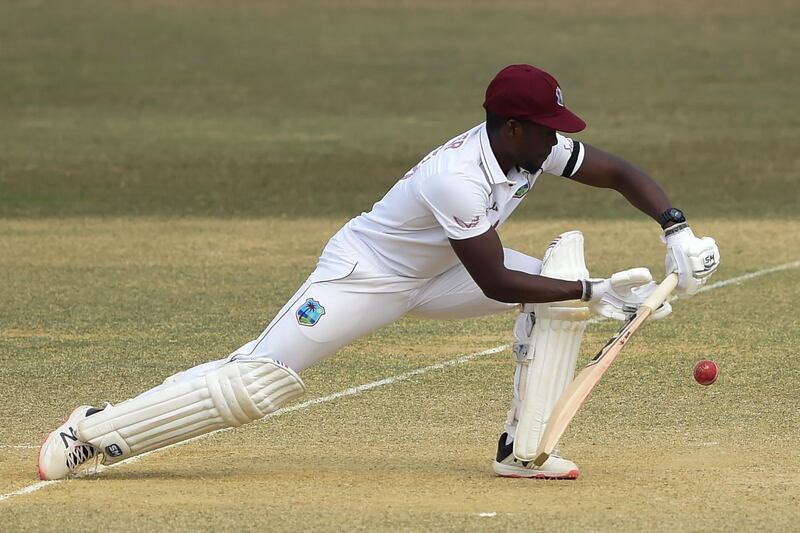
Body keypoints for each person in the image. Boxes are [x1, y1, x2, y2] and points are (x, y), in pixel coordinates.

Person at [38, 64, 719, 481]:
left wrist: (675, 226)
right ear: (512, 127)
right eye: (545, 128)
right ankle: (91, 431)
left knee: (558, 291)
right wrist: (594, 291)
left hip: (441, 270)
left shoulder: (530, 147)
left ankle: (522, 450)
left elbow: (621, 173)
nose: (555, 139)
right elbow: (494, 282)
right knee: (259, 382)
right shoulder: (459, 177)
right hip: (368, 273)